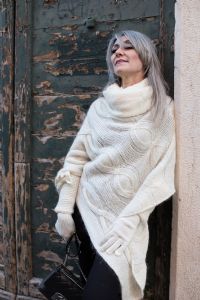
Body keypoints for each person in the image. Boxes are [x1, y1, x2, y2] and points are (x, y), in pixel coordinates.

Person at [54, 30, 176, 300]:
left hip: (123, 226)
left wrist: (128, 221)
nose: (118, 52)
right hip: (85, 214)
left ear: (146, 57)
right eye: (114, 49)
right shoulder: (100, 107)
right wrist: (64, 208)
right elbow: (76, 158)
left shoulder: (163, 109)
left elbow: (161, 176)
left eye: (128, 46)